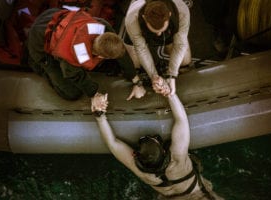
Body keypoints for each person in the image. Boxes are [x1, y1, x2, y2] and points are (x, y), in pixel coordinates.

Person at [92, 76, 223, 199]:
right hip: (196, 193)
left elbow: (113, 143)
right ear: (165, 152)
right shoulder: (176, 160)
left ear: (136, 155)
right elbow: (181, 119)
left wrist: (99, 115)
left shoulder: (143, 172)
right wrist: (168, 92)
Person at [27, 7, 146, 102]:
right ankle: (38, 64)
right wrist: (94, 94)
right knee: (71, 93)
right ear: (101, 57)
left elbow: (121, 53)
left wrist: (136, 80)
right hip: (38, 43)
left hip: (52, 15)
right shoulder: (71, 59)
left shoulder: (102, 27)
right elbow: (77, 76)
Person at [124, 0, 192, 96]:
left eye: (161, 30)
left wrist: (172, 75)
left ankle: (167, 40)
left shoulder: (181, 10)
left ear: (169, 14)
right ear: (144, 18)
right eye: (155, 30)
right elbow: (141, 48)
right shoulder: (132, 18)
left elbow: (180, 44)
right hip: (139, 31)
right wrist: (154, 77)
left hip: (169, 33)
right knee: (136, 65)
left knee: (185, 62)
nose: (158, 34)